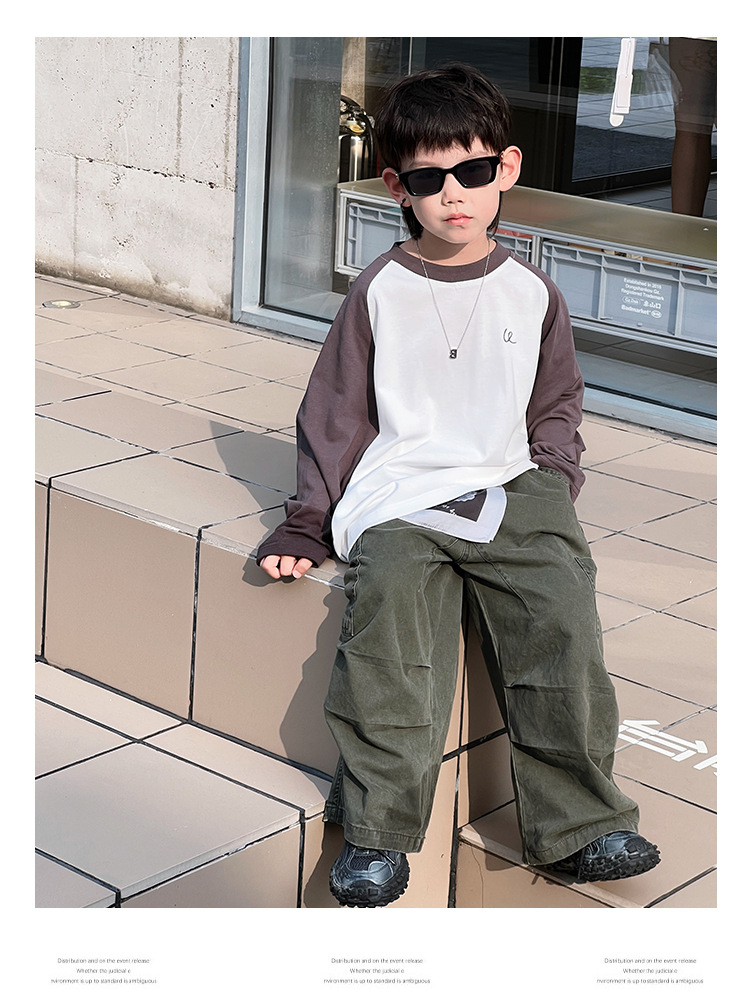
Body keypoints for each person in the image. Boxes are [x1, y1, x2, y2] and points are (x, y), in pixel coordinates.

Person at [258, 63, 660, 908]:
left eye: (473, 171)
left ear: (506, 168)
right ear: (396, 187)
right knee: (388, 635)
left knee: (561, 619)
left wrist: (553, 477)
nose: (454, 195)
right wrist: (306, 521)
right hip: (399, 493)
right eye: (429, 179)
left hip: (511, 482)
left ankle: (581, 826)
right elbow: (334, 411)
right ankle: (377, 833)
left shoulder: (531, 290)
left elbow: (557, 401)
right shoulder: (379, 290)